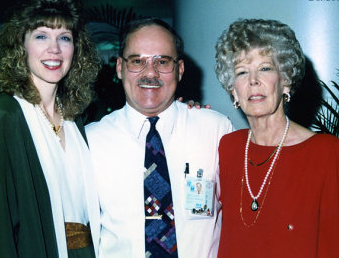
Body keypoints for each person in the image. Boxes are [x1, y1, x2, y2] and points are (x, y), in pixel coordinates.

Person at [85, 18, 233, 257]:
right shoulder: (91, 142)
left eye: (162, 61)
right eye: (137, 61)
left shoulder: (216, 130)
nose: (150, 73)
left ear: (180, 70)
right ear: (120, 67)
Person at [0, 0, 101, 257]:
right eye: (41, 36)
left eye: (64, 38)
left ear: (76, 50)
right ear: (21, 45)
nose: (54, 49)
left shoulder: (76, 119)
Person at [215, 18, 339, 257]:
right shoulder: (227, 147)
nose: (253, 81)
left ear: (286, 80)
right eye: (242, 72)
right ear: (233, 90)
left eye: (265, 68)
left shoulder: (329, 154)